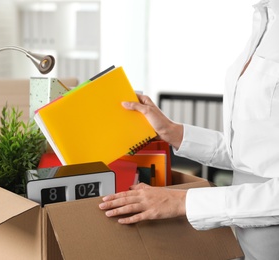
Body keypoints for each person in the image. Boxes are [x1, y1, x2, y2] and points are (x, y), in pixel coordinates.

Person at [99, 0, 279, 259]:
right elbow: (254, 152)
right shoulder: (264, 18)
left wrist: (182, 201)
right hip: (244, 237)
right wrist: (173, 132)